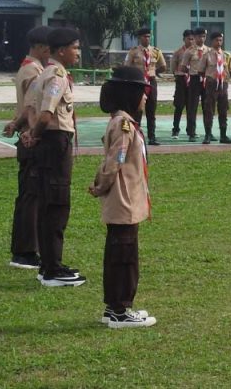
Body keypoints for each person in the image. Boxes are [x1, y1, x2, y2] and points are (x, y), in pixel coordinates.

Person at [88, 66, 158, 329]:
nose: (146, 97)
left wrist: (99, 182)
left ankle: (114, 308)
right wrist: (101, 184)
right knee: (124, 257)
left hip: (125, 199)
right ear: (130, 94)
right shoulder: (124, 125)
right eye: (143, 92)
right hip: (124, 199)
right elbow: (115, 160)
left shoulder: (121, 121)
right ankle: (120, 310)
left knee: (119, 253)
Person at [25, 27, 86, 287]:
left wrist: (33, 134)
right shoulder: (57, 76)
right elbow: (46, 115)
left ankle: (48, 265)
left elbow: (31, 108)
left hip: (48, 142)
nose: (78, 53)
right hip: (55, 142)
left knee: (47, 203)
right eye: (75, 48)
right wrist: (36, 134)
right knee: (57, 205)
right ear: (61, 51)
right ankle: (53, 269)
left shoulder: (44, 73)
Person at [2, 25, 53, 270]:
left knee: (29, 195)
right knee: (31, 197)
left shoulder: (29, 68)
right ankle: (25, 251)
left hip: (26, 135)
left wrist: (14, 123)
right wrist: (25, 128)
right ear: (41, 47)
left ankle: (25, 249)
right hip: (31, 139)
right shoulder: (34, 72)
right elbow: (31, 108)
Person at [123, 27, 167, 146]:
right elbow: (127, 66)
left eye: (148, 36)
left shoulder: (156, 51)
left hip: (151, 82)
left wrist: (154, 72)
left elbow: (163, 66)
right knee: (137, 110)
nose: (147, 39)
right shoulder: (134, 51)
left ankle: (152, 136)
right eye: (144, 36)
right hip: (138, 83)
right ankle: (136, 136)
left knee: (151, 110)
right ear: (139, 38)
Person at [198, 32, 231, 144]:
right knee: (209, 110)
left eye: (220, 40)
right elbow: (201, 70)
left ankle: (223, 135)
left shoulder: (226, 55)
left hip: (223, 84)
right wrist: (210, 78)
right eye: (216, 40)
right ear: (212, 41)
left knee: (223, 110)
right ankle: (208, 135)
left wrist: (225, 78)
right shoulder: (207, 55)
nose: (219, 43)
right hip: (211, 84)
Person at [177, 28, 208, 142]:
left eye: (203, 36)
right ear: (195, 38)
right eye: (199, 36)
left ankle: (208, 132)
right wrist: (191, 72)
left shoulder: (208, 50)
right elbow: (183, 67)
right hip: (194, 79)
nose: (202, 39)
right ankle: (191, 132)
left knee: (207, 107)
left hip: (206, 79)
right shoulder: (189, 51)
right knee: (192, 107)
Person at [170, 29, 193, 139]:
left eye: (192, 39)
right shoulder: (178, 52)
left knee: (191, 107)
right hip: (181, 79)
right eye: (189, 39)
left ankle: (190, 130)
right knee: (179, 106)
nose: (191, 41)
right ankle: (175, 129)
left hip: (192, 80)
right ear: (184, 39)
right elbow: (173, 67)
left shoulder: (196, 52)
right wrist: (178, 76)